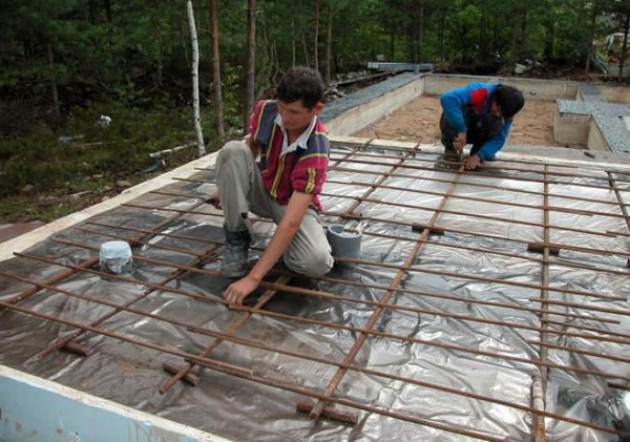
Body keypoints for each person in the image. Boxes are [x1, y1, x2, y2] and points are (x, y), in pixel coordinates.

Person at [214, 66, 334, 305]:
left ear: (316, 109)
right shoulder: (267, 111)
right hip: (264, 187)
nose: (284, 117)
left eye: (294, 112)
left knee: (315, 263)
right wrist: (230, 186)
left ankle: (289, 246)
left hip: (290, 203)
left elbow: (291, 220)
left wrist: (253, 278)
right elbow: (250, 147)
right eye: (281, 108)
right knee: (232, 150)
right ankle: (237, 238)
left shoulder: (317, 147)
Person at [438, 83, 525, 170]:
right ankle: (451, 150)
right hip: (459, 128)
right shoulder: (479, 91)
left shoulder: (508, 111)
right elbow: (447, 98)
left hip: (477, 132)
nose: (498, 114)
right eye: (498, 109)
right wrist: (461, 130)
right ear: (494, 98)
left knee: (496, 122)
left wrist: (480, 155)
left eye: (502, 113)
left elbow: (499, 138)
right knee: (457, 110)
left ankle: (477, 151)